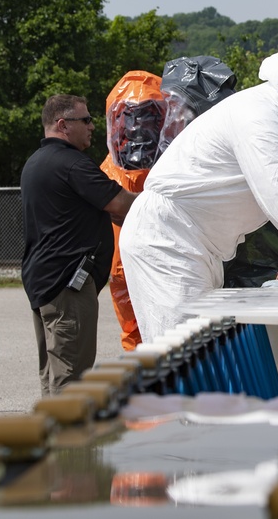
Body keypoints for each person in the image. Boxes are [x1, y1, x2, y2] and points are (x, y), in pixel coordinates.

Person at [118, 52, 278, 344]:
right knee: (182, 355)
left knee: (207, 353)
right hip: (167, 239)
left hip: (199, 245)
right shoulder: (263, 113)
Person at [100, 59, 236, 351]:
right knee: (131, 314)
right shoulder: (107, 173)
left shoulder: (176, 163)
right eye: (129, 117)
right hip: (123, 263)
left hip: (171, 258)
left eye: (145, 117)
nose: (137, 128)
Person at [21, 94, 138, 395]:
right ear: (63, 125)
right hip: (68, 287)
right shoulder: (71, 164)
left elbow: (87, 213)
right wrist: (162, 197)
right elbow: (121, 204)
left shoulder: (36, 162)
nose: (92, 126)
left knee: (54, 374)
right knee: (71, 378)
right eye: (85, 120)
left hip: (45, 282)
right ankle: (68, 443)